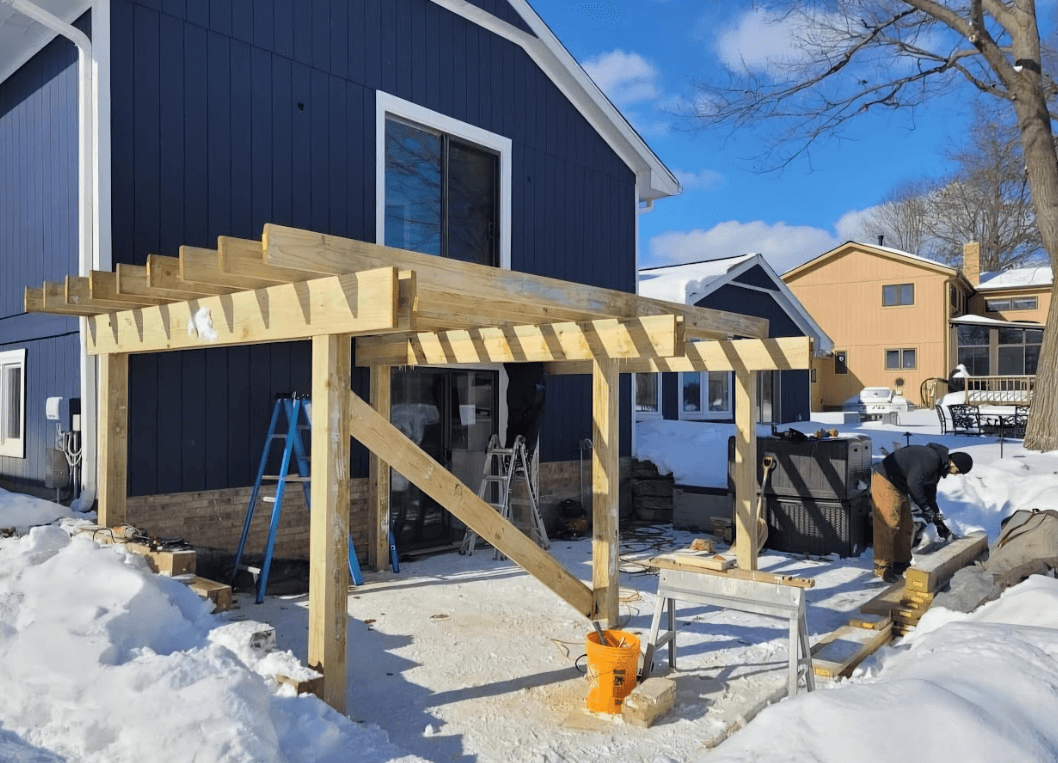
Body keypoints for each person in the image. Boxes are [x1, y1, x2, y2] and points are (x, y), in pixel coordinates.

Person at [870, 443, 973, 584]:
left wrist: (937, 520)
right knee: (889, 523)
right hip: (885, 478)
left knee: (906, 525)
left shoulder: (937, 467)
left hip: (900, 485)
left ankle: (901, 563)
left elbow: (930, 495)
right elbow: (915, 485)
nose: (956, 474)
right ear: (955, 462)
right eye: (959, 471)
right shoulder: (931, 459)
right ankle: (882, 567)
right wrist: (925, 508)